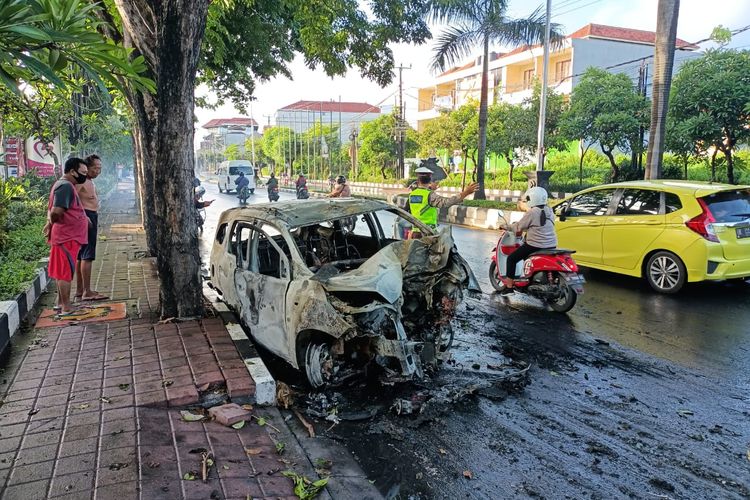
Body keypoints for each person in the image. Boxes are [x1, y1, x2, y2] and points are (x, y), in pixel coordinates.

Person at [43, 158, 90, 315]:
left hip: (66, 236)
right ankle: (66, 307)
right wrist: (51, 221)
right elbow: (56, 212)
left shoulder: (64, 185)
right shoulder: (65, 187)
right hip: (67, 236)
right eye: (82, 173)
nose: (85, 175)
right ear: (72, 171)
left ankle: (60, 303)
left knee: (61, 270)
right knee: (65, 272)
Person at [501, 186, 557, 291]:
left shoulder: (532, 212)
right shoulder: (549, 210)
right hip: (551, 244)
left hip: (535, 245)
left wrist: (506, 226)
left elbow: (519, 226)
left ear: (532, 199)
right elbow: (539, 225)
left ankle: (508, 287)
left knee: (511, 259)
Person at [406, 166, 479, 237]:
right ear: (430, 178)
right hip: (428, 234)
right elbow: (447, 202)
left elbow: (413, 208)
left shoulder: (412, 194)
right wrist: (466, 192)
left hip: (415, 234)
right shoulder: (430, 195)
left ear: (418, 179)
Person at [74, 154, 108, 302]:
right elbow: (72, 198)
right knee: (87, 255)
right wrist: (83, 214)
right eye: (95, 168)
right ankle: (86, 291)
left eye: (100, 168)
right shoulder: (81, 182)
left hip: (89, 216)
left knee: (81, 255)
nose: (98, 171)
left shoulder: (89, 181)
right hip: (86, 217)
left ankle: (80, 289)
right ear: (86, 168)